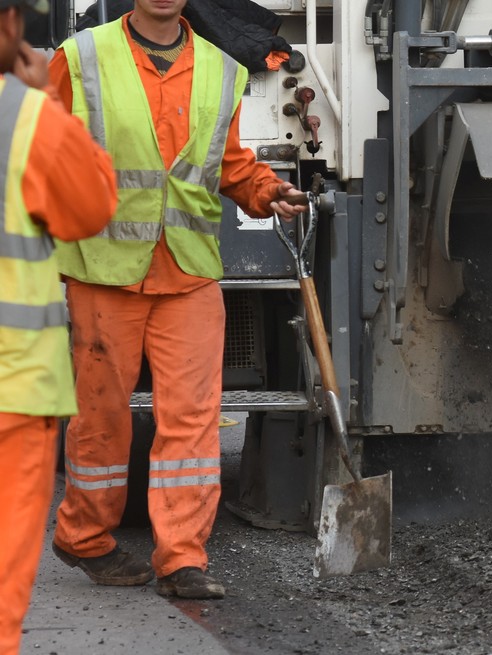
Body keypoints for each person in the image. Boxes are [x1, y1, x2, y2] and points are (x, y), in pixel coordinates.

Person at [47, 0, 309, 599]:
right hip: (104, 268)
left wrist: (269, 191)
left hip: (187, 271)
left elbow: (231, 164)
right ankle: (84, 537)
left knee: (192, 416)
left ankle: (182, 559)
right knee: (102, 413)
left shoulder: (222, 69)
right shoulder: (82, 58)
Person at [0, 0, 119, 650]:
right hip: (12, 392)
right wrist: (44, 98)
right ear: (11, 27)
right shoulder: (24, 119)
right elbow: (91, 207)